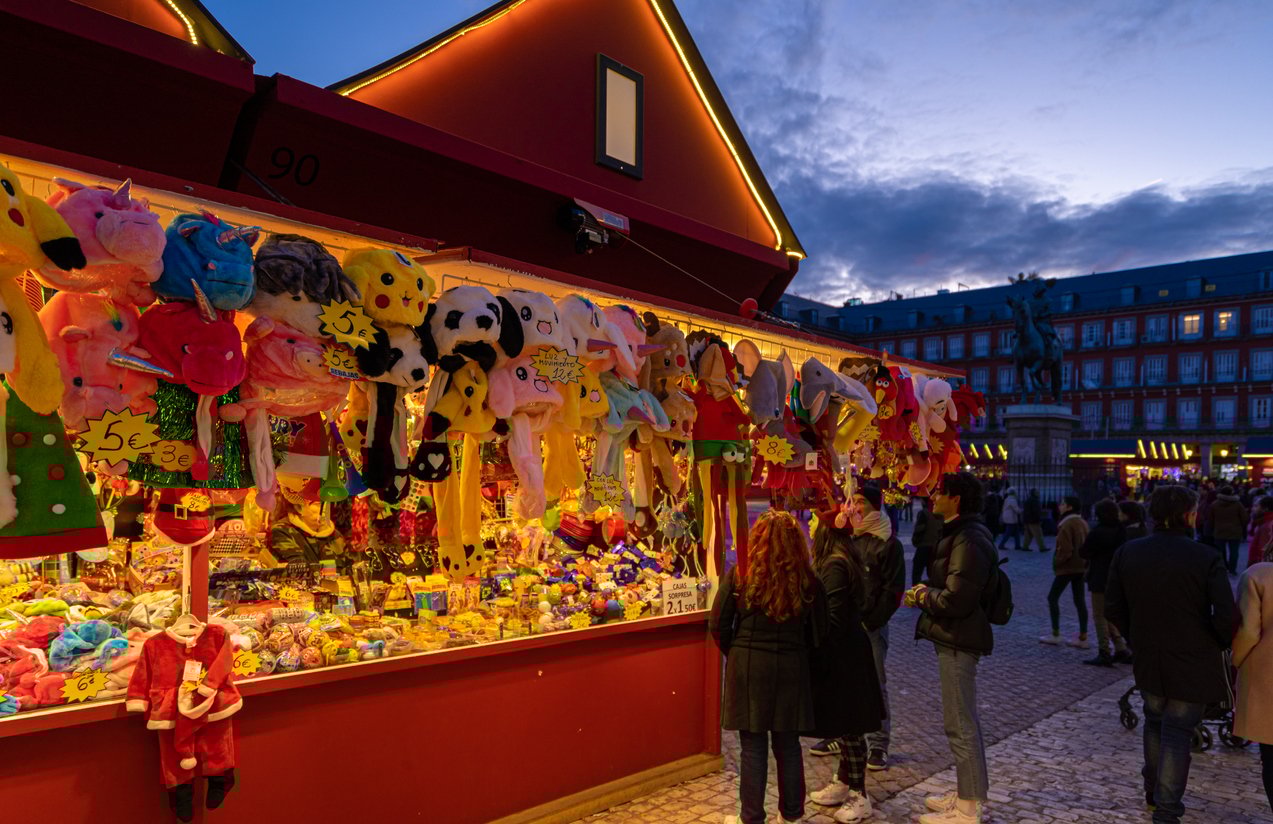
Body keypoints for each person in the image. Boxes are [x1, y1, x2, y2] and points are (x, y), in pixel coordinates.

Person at [1105, 485, 1237, 824]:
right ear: (1188, 514)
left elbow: (1113, 607)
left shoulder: (1128, 553)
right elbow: (1226, 614)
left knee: (1155, 719)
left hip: (1149, 651)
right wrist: (1216, 640)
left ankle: (1154, 793)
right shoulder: (1205, 556)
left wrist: (1135, 636)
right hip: (1192, 655)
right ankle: (1166, 808)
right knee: (1177, 730)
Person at [712, 510, 828, 824]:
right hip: (791, 667)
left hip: (748, 667)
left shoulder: (740, 575)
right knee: (788, 744)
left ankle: (750, 818)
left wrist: (736, 652)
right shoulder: (809, 580)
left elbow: (718, 625)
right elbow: (820, 632)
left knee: (752, 745)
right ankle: (791, 816)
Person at [908, 471, 999, 824]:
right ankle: (967, 793)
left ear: (956, 499)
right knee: (960, 719)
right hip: (956, 634)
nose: (933, 497)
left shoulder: (968, 539)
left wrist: (921, 595)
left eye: (939, 492)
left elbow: (956, 599)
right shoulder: (962, 534)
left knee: (960, 722)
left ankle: (968, 807)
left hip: (961, 636)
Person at [810, 485, 903, 772]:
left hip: (869, 626)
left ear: (875, 506)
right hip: (846, 626)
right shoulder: (851, 538)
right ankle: (842, 735)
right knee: (843, 681)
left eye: (861, 502)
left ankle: (878, 744)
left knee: (875, 682)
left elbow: (893, 591)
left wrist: (870, 621)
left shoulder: (887, 543)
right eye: (854, 501)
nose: (856, 507)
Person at [806, 511, 887, 823]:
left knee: (851, 727)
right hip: (847, 652)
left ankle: (859, 794)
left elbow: (834, 618)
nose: (811, 530)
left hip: (844, 657)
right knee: (845, 724)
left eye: (814, 525)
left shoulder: (836, 565)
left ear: (825, 532)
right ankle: (843, 783)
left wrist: (813, 639)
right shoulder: (840, 559)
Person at [1234, 539, 1273, 814]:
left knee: (1271, 756)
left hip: (1267, 674)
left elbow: (1248, 631)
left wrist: (1235, 661)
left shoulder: (1259, 575)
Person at [1079, 499, 1131, 666]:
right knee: (1109, 614)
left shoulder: (1098, 532)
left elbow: (1084, 552)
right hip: (1116, 576)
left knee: (1099, 615)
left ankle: (1104, 650)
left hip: (1100, 575)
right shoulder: (1121, 531)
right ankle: (1120, 647)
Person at [1040, 495, 1090, 648]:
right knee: (1079, 600)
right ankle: (1083, 636)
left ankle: (1056, 633)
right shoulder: (1082, 522)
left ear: (1069, 507)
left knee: (1052, 597)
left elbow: (1065, 549)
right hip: (1081, 566)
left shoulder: (1066, 524)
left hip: (1068, 567)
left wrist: (1057, 562)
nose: (1059, 506)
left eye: (1062, 504)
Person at [1206, 485, 1248, 575]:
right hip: (1235, 531)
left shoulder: (1215, 504)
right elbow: (1244, 518)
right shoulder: (1238, 504)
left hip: (1219, 531)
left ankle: (1222, 568)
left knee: (1220, 551)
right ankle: (1232, 569)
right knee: (1234, 552)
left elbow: (1210, 519)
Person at [913, 497, 944, 587]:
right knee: (933, 574)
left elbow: (919, 530)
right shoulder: (941, 513)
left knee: (917, 573)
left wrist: (915, 541)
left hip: (923, 547)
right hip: (936, 547)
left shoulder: (924, 513)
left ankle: (915, 593)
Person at [1249, 496, 1273, 571]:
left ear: (1265, 509)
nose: (1253, 508)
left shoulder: (1267, 525)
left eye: (1257, 506)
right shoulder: (1263, 522)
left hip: (1263, 569)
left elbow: (1263, 550)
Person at [996, 486, 1022, 552]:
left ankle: (1017, 545)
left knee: (1016, 532)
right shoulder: (1012, 500)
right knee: (1008, 532)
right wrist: (1021, 510)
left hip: (1009, 518)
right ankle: (1001, 544)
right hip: (1011, 518)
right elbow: (1016, 509)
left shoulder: (1007, 499)